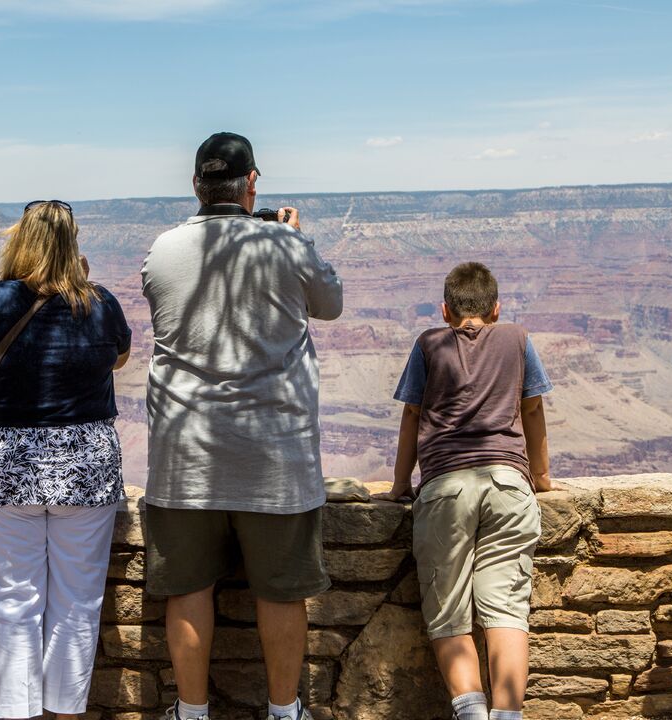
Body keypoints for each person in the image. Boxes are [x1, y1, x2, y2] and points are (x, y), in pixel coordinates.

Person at [140, 132, 343, 720]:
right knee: (282, 591)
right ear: (252, 182)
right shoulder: (285, 243)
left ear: (196, 186)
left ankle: (192, 712)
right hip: (275, 455)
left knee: (189, 589)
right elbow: (328, 304)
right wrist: (294, 236)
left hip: (185, 455)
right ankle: (284, 711)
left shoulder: (163, 250)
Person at [0, 200, 132, 720]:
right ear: (74, 247)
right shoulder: (99, 302)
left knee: (14, 604)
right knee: (78, 603)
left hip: (7, 462)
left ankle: (17, 713)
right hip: (86, 468)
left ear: (19, 241)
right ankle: (66, 713)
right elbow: (118, 357)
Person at [374, 262, 553, 720]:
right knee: (507, 611)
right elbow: (531, 410)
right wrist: (543, 476)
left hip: (446, 488)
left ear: (445, 309)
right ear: (496, 308)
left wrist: (399, 484)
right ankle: (507, 715)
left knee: (449, 612)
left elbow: (412, 415)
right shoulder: (517, 338)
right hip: (510, 484)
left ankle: (471, 713)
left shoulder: (429, 343)